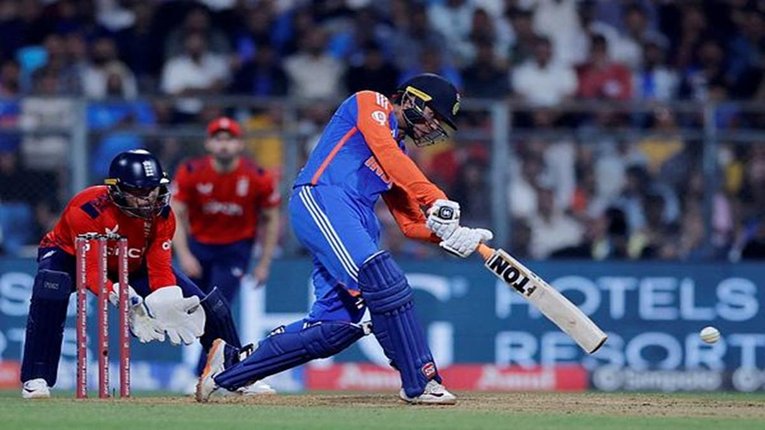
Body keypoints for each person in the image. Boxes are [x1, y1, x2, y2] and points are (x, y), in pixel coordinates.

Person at [195, 73, 493, 404]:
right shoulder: (370, 102)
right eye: (433, 115)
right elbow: (384, 150)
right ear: (411, 99)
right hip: (324, 198)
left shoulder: (400, 156)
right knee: (384, 282)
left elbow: (411, 224)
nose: (433, 126)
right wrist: (436, 197)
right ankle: (421, 382)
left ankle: (230, 370)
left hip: (356, 219)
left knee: (333, 326)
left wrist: (452, 236)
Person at [19, 149, 263, 398]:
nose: (148, 199)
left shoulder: (163, 214)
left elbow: (159, 268)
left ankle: (238, 375)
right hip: (70, 256)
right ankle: (36, 378)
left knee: (211, 307)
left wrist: (167, 297)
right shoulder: (87, 209)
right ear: (116, 189)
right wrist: (119, 296)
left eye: (153, 189)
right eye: (139, 192)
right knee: (51, 288)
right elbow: (91, 272)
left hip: (133, 260)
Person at [171, 117, 281, 383]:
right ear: (208, 144)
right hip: (199, 247)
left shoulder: (257, 177)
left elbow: (271, 218)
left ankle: (207, 373)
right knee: (199, 310)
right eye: (218, 139)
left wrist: (264, 263)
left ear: (240, 144)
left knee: (218, 307)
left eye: (229, 139)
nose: (224, 145)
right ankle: (226, 369)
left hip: (235, 248)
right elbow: (175, 213)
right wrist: (184, 254)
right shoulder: (191, 171)